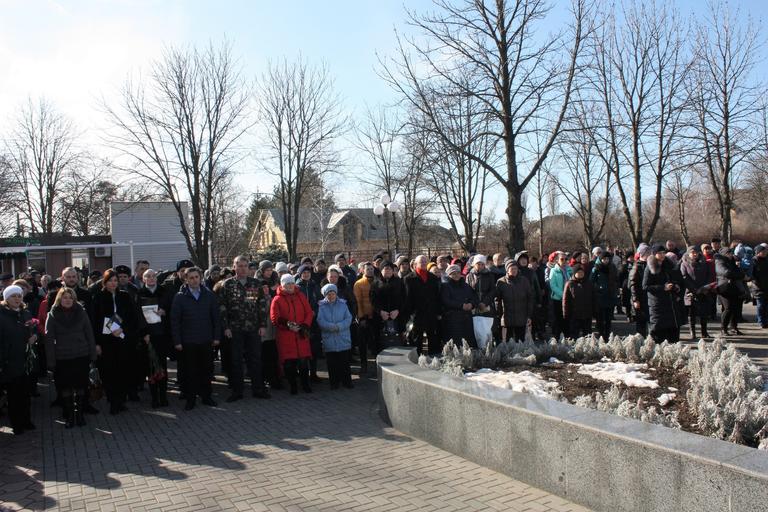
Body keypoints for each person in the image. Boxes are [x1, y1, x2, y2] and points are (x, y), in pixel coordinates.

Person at [90, 270, 143, 414]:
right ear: (105, 282)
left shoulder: (125, 296)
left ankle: (120, 400)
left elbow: (133, 317)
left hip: (123, 339)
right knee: (109, 372)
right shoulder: (98, 297)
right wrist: (97, 343)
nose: (113, 283)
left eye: (115, 280)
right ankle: (113, 401)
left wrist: (122, 328)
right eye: (110, 281)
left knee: (123, 371)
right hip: (106, 341)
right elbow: (94, 321)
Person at [218, 255, 270, 402]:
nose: (242, 268)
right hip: (235, 329)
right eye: (239, 265)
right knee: (236, 361)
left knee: (255, 359)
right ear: (234, 267)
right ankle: (237, 391)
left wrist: (262, 325)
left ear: (248, 267)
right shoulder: (227, 284)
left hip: (253, 328)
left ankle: (258, 389)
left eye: (245, 266)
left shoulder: (255, 283)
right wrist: (226, 327)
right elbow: (222, 307)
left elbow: (260, 305)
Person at [45, 287, 97, 427]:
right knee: (65, 387)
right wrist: (51, 362)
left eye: (70, 298)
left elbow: (89, 334)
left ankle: (79, 415)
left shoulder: (81, 312)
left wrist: (93, 354)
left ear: (74, 300)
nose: (67, 300)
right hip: (62, 357)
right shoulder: (53, 314)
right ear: (59, 299)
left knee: (81, 386)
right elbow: (49, 340)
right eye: (64, 297)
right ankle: (69, 415)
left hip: (81, 355)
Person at [170, 267, 221, 410]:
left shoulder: (209, 295)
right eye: (191, 278)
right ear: (186, 279)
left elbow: (216, 318)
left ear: (200, 278)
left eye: (196, 277)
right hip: (188, 341)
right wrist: (177, 341)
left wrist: (216, 337)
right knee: (190, 371)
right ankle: (190, 399)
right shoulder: (180, 297)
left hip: (206, 339)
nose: (194, 280)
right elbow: (175, 321)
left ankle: (206, 397)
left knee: (206, 370)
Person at [0, 285, 37, 435]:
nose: (17, 299)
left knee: (26, 394)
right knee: (14, 395)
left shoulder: (25, 313)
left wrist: (34, 337)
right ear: (6, 299)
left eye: (19, 296)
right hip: (10, 361)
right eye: (13, 296)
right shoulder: (2, 316)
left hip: (26, 360)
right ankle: (17, 424)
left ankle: (26, 420)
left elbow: (33, 330)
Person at [271, 274, 314, 394]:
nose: (290, 286)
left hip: (301, 334)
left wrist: (304, 325)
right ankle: (293, 386)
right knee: (289, 364)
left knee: (303, 362)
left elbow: (309, 313)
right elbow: (275, 318)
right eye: (287, 284)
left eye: (291, 283)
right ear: (282, 285)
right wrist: (289, 325)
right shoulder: (277, 299)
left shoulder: (300, 296)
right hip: (286, 336)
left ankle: (305, 384)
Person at [137, 269, 171, 408]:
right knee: (150, 366)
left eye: (153, 276)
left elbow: (171, 309)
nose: (151, 279)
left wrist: (164, 311)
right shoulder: (139, 294)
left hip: (161, 335)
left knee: (162, 366)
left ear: (156, 278)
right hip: (147, 336)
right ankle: (154, 397)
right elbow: (137, 316)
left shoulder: (164, 291)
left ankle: (163, 396)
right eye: (147, 277)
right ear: (143, 279)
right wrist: (143, 333)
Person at [643, 246, 684, 344]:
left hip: (670, 303)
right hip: (657, 303)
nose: (662, 255)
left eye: (663, 252)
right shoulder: (650, 268)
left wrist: (675, 286)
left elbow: (675, 278)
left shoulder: (668, 264)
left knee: (673, 332)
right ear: (654, 254)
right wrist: (663, 287)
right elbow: (645, 286)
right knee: (659, 332)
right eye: (659, 253)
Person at [317, 283, 353, 390]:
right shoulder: (322, 306)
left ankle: (347, 382)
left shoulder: (343, 304)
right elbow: (320, 321)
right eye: (329, 294)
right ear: (325, 295)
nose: (331, 296)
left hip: (343, 337)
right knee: (332, 364)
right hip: (329, 339)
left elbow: (348, 318)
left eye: (333, 293)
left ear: (336, 293)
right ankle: (334, 382)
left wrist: (339, 326)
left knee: (345, 362)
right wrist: (331, 327)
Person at [404, 255, 442, 354]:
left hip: (431, 313)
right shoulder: (408, 279)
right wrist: (409, 315)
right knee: (417, 339)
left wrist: (438, 312)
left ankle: (433, 360)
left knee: (432, 339)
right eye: (421, 261)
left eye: (425, 261)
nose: (424, 263)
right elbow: (407, 298)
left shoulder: (433, 278)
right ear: (415, 264)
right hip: (416, 314)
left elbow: (437, 296)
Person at [680, 245, 715, 339]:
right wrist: (694, 289)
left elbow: (709, 275)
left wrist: (704, 288)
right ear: (688, 253)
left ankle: (704, 332)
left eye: (696, 252)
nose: (694, 254)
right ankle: (693, 332)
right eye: (692, 252)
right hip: (691, 291)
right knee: (691, 314)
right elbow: (684, 277)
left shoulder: (704, 263)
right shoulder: (684, 263)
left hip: (703, 290)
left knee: (704, 313)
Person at [295, 264, 322, 382]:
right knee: (303, 350)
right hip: (302, 322)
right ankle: (303, 374)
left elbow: (319, 301)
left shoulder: (314, 285)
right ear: (300, 274)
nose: (306, 274)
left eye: (308, 272)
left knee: (314, 348)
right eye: (304, 273)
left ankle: (314, 373)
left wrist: (314, 312)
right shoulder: (296, 287)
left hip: (314, 321)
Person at [440, 264, 478, 346]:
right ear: (449, 275)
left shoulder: (466, 286)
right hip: (452, 319)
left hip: (467, 318)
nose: (456, 275)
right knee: (456, 344)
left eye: (458, 273)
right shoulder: (445, 286)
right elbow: (446, 301)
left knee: (468, 343)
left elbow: (474, 297)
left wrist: (472, 304)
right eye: (453, 273)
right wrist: (461, 305)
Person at [495, 260, 534, 342]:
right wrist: (499, 315)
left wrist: (529, 315)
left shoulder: (524, 281)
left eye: (515, 269)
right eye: (511, 269)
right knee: (509, 342)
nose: (514, 271)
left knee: (521, 342)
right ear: (507, 270)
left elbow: (530, 298)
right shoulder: (501, 282)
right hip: (507, 318)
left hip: (522, 317)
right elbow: (497, 300)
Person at [465, 255, 498, 347]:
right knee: (476, 329)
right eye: (478, 264)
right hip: (474, 306)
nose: (480, 266)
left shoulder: (490, 275)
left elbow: (493, 290)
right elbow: (468, 291)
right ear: (474, 264)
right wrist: (477, 303)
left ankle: (488, 349)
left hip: (487, 306)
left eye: (482, 264)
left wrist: (485, 302)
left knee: (487, 329)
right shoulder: (469, 276)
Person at [371, 261, 407, 343]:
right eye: (386, 268)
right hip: (380, 318)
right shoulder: (375, 283)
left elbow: (404, 298)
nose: (388, 271)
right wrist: (380, 312)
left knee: (398, 342)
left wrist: (398, 310)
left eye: (390, 269)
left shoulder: (399, 282)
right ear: (381, 270)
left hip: (397, 316)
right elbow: (373, 300)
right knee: (381, 342)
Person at [715, 247, 747, 336]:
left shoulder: (732, 261)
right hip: (724, 288)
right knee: (728, 308)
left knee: (736, 308)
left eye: (730, 253)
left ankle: (734, 327)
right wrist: (739, 275)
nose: (730, 254)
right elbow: (726, 273)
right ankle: (723, 328)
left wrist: (739, 272)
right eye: (728, 253)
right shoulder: (719, 261)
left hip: (734, 287)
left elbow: (739, 272)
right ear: (724, 254)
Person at [353, 262, 376, 373]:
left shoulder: (377, 281)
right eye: (368, 269)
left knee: (376, 342)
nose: (370, 271)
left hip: (376, 316)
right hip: (364, 318)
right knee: (363, 343)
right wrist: (361, 317)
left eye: (372, 269)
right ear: (362, 270)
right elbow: (358, 301)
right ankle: (363, 364)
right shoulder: (358, 283)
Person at [591, 252, 618, 341]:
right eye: (604, 259)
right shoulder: (596, 268)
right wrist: (598, 288)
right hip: (600, 296)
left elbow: (616, 279)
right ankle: (601, 335)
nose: (606, 261)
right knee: (600, 318)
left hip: (610, 295)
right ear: (600, 259)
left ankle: (607, 335)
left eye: (607, 259)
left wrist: (615, 289)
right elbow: (591, 281)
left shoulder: (612, 267)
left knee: (608, 318)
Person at [563, 265, 594, 338]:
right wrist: (566, 312)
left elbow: (593, 297)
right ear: (574, 273)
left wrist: (594, 310)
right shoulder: (570, 284)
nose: (580, 274)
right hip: (574, 313)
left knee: (587, 334)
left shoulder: (588, 283)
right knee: (574, 334)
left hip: (587, 313)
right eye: (578, 272)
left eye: (582, 272)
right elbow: (565, 300)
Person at [547, 252, 571, 339]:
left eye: (566, 259)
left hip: (567, 300)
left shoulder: (568, 270)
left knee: (566, 321)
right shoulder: (553, 270)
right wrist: (563, 295)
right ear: (557, 260)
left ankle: (567, 339)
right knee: (558, 320)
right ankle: (557, 340)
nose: (564, 261)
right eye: (562, 259)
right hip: (557, 299)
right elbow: (553, 285)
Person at [629, 244, 652, 336]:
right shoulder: (636, 267)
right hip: (640, 298)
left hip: (649, 297)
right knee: (641, 323)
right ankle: (641, 343)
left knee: (651, 322)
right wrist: (635, 299)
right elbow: (632, 285)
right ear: (642, 254)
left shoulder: (650, 265)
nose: (650, 254)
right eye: (647, 252)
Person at [752, 244, 768, 328]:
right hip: (758, 287)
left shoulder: (766, 260)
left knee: (766, 306)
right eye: (763, 251)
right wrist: (757, 282)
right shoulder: (754, 261)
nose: (765, 252)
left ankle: (766, 321)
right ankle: (761, 321)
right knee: (761, 305)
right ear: (758, 252)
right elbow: (752, 274)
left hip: (766, 286)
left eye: (766, 251)